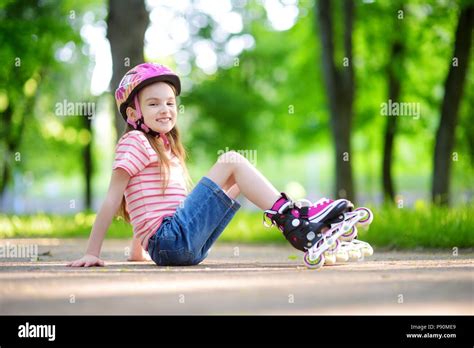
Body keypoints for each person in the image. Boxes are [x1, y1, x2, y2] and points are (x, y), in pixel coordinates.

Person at [67, 62, 351, 268]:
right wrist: (92, 252)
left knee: (238, 180)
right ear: (133, 113)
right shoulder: (134, 142)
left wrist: (138, 252)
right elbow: (114, 197)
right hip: (172, 243)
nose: (165, 109)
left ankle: (307, 230)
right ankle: (295, 220)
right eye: (153, 104)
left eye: (170, 103)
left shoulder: (166, 148)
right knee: (232, 161)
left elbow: (145, 203)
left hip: (181, 248)